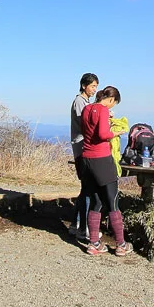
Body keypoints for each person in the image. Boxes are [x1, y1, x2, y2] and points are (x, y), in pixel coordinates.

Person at [79, 86, 132, 256]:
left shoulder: (87, 108)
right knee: (112, 202)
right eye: (113, 104)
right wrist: (117, 132)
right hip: (101, 159)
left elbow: (87, 130)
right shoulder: (102, 109)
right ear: (111, 100)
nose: (112, 107)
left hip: (86, 159)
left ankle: (94, 243)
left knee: (95, 202)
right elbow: (102, 134)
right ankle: (121, 244)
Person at [69, 72, 99, 241]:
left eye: (96, 86)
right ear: (83, 85)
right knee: (87, 189)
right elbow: (85, 125)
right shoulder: (80, 102)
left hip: (81, 147)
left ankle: (76, 224)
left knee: (85, 189)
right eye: (92, 86)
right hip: (82, 148)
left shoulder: (84, 102)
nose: (94, 89)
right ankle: (84, 227)